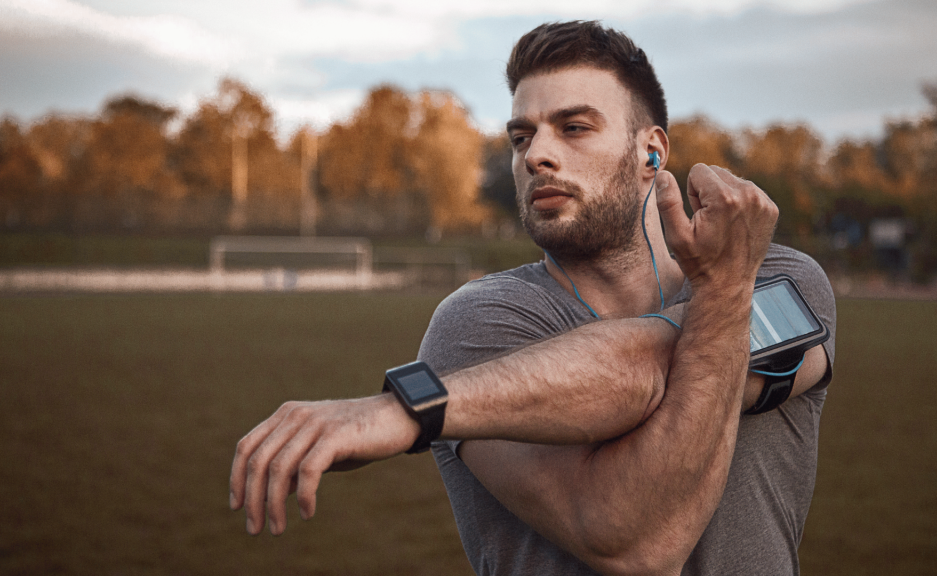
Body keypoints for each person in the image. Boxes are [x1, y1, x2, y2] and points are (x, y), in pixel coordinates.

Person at [230, 20, 835, 576]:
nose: (535, 155)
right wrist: (722, 301)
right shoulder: (475, 326)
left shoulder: (780, 277)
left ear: (652, 152)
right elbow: (632, 541)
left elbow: (651, 361)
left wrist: (410, 410)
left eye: (574, 127)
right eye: (522, 136)